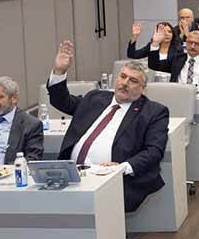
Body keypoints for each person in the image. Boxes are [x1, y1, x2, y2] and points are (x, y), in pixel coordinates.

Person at [47, 44, 169, 212]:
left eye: (133, 80)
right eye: (123, 76)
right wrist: (59, 71)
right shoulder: (95, 97)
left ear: (143, 88)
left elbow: (154, 151)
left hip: (113, 178)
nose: (125, 83)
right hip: (72, 174)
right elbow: (62, 101)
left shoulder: (153, 112)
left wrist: (122, 168)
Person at [149, 30, 199, 95]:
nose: (192, 46)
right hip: (179, 96)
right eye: (190, 42)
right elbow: (154, 65)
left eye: (197, 44)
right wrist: (155, 44)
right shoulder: (177, 59)